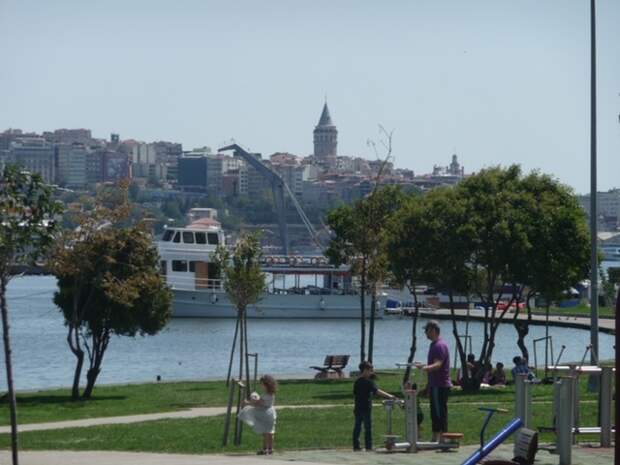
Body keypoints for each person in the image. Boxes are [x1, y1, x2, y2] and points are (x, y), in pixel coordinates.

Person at [415, 320, 451, 441]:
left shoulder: (439, 346)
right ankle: (436, 437)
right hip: (434, 384)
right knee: (435, 411)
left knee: (439, 412)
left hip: (440, 385)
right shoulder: (434, 345)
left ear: (434, 330)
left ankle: (442, 437)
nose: (425, 333)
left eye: (427, 330)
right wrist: (428, 385)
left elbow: (438, 365)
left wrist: (424, 368)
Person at [353, 361, 397, 451]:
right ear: (365, 370)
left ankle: (356, 446)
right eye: (370, 370)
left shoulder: (357, 381)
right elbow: (377, 391)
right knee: (368, 427)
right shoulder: (369, 382)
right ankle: (368, 446)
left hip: (357, 408)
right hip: (366, 407)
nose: (371, 372)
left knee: (357, 427)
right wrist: (390, 396)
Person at [239, 375, 278, 455]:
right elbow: (260, 402)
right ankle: (270, 448)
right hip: (270, 414)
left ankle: (265, 448)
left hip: (265, 414)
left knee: (266, 432)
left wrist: (248, 403)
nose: (261, 386)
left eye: (262, 384)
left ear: (266, 385)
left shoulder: (267, 395)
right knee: (270, 432)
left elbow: (258, 403)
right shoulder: (270, 394)